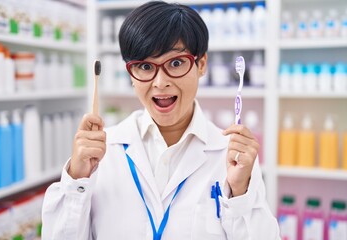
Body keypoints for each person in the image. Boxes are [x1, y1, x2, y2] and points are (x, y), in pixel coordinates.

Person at [41, 1, 280, 239]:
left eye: (176, 63)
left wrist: (240, 194)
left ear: (201, 65)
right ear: (131, 74)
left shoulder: (231, 155)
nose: (160, 82)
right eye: (145, 66)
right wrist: (77, 180)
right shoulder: (102, 153)